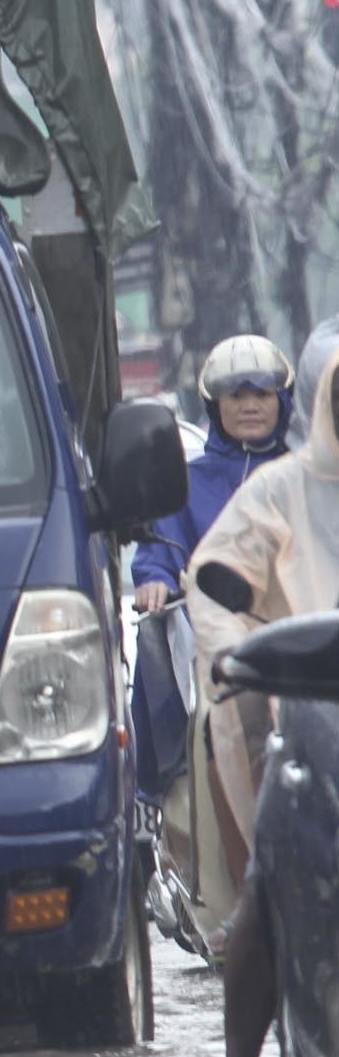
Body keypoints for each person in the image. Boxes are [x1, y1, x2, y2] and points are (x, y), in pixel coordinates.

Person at [189, 347, 339, 952]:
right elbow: (213, 583)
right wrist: (235, 654)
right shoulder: (277, 490)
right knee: (270, 884)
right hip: (306, 694)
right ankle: (241, 1048)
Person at [132, 335, 294, 613]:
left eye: (263, 394)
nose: (250, 406)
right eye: (236, 395)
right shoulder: (185, 484)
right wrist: (155, 580)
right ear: (215, 406)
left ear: (283, 401)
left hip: (308, 640)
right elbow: (159, 556)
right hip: (213, 642)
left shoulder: (309, 475)